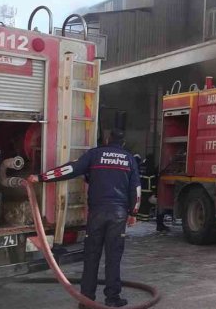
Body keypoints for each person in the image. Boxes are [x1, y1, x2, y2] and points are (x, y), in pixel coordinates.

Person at [28, 129, 140, 308]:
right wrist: (133, 214)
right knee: (113, 257)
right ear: (123, 143)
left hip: (97, 213)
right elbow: (135, 190)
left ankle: (86, 300)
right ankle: (112, 298)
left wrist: (40, 177)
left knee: (91, 256)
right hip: (118, 215)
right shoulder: (129, 159)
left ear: (106, 139)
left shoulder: (94, 155)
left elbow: (69, 169)